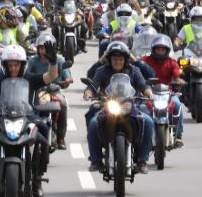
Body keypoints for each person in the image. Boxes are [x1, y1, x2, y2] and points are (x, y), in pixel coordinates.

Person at [0, 43, 60, 197]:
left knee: (43, 134)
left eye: (16, 65)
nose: (13, 68)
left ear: (22, 65)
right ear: (4, 65)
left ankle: (37, 179)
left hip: (28, 117)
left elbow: (51, 76)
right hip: (1, 116)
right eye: (10, 65)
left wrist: (53, 62)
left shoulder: (30, 77)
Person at [84, 41, 155, 174]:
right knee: (93, 123)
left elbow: (143, 85)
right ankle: (96, 160)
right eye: (114, 59)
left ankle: (142, 160)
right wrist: (88, 93)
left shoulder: (134, 70)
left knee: (149, 121)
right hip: (108, 106)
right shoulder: (102, 71)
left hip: (130, 106)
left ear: (125, 60)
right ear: (109, 59)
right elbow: (93, 86)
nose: (117, 61)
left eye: (120, 59)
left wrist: (149, 93)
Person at [26, 33, 73, 149]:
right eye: (41, 48)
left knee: (62, 104)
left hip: (54, 91)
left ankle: (61, 137)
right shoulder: (32, 61)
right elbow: (26, 73)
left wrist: (67, 80)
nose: (43, 51)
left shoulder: (59, 60)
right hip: (38, 91)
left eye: (46, 48)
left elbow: (67, 75)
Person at [140, 35, 185, 146]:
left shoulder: (171, 62)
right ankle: (141, 135)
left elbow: (176, 75)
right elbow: (137, 70)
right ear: (153, 49)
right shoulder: (145, 60)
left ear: (166, 50)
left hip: (167, 93)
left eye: (162, 49)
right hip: (149, 93)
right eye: (158, 49)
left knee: (178, 105)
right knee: (139, 109)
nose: (160, 51)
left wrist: (179, 81)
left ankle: (178, 135)